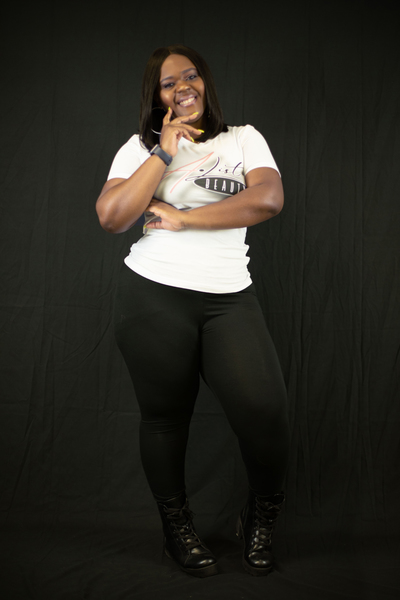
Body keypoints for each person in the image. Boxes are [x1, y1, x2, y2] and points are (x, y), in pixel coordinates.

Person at [96, 44, 290, 578]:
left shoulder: (242, 139)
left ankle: (260, 514)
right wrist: (162, 153)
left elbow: (268, 200)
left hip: (229, 296)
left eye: (191, 75)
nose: (183, 86)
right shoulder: (138, 149)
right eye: (168, 82)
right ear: (156, 96)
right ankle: (176, 527)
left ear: (205, 82)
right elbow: (112, 216)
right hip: (153, 293)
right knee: (164, 419)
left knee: (265, 414)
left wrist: (185, 218)